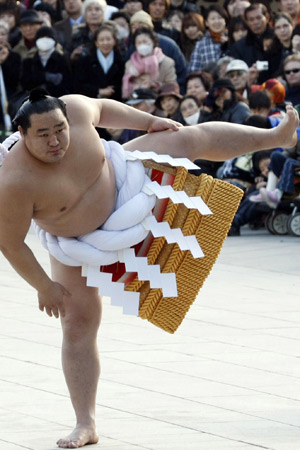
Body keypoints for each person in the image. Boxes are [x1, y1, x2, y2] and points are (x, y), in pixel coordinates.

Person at [0, 89, 298, 448]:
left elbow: (104, 108)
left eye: (60, 130)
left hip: (123, 179)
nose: (55, 141)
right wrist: (43, 286)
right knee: (77, 323)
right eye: (43, 135)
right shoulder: (13, 181)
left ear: (67, 118)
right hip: (75, 244)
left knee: (184, 136)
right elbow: (10, 241)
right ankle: (85, 423)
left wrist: (148, 121)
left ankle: (274, 137)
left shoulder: (77, 109)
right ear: (20, 131)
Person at [73, 23, 125, 101]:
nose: (105, 43)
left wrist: (112, 91)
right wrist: (99, 91)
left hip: (115, 102)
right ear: (96, 43)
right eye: (101, 40)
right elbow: (79, 85)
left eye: (108, 39)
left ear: (114, 41)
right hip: (91, 101)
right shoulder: (86, 60)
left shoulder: (121, 60)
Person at [122, 26, 176, 99]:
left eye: (145, 41)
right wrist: (139, 87)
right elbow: (126, 88)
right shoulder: (130, 65)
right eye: (138, 43)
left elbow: (172, 87)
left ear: (153, 41)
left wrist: (155, 85)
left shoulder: (167, 63)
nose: (142, 45)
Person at [188, 4, 229, 73]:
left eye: (220, 18)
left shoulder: (233, 38)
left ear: (225, 20)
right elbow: (194, 70)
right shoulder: (201, 44)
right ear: (206, 23)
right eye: (213, 19)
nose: (217, 21)